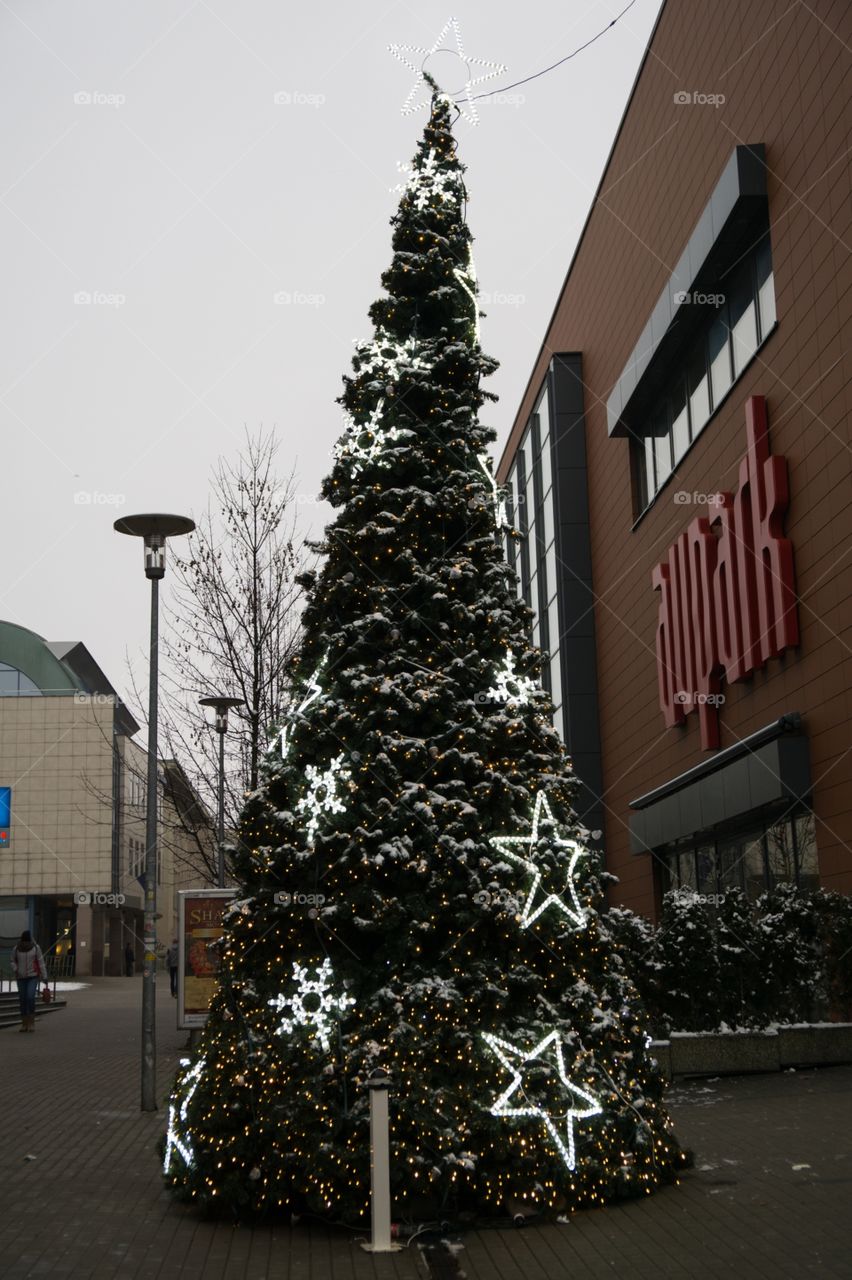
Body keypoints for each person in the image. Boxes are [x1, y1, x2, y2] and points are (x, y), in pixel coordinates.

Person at [11, 930, 48, 1033]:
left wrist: (44, 976)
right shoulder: (16, 949)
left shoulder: (36, 948)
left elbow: (41, 962)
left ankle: (31, 1023)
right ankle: (24, 1024)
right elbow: (12, 960)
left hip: (33, 976)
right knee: (22, 999)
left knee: (30, 997)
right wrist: (16, 969)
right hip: (21, 977)